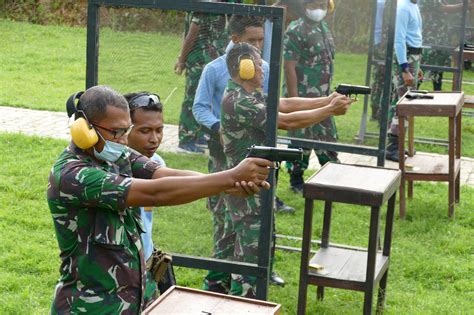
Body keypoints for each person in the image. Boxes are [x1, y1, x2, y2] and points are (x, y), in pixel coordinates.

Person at [47, 85, 272, 314]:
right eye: (116, 132)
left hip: (135, 302)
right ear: (84, 129)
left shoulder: (114, 153)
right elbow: (156, 192)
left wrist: (228, 183)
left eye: (127, 130)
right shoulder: (72, 175)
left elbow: (164, 174)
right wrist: (230, 177)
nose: (124, 140)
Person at [221, 43, 353, 298]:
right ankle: (244, 301)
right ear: (244, 68)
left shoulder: (248, 94)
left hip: (257, 184)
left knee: (262, 243)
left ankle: (249, 297)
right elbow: (286, 121)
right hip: (246, 189)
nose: (262, 69)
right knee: (250, 253)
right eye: (258, 65)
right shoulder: (238, 101)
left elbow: (285, 103)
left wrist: (327, 99)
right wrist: (330, 110)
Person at [192, 14, 289, 292]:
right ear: (235, 39)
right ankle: (218, 278)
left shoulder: (265, 68)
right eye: (251, 40)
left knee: (258, 213)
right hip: (224, 155)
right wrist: (220, 127)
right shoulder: (214, 69)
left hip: (256, 153)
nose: (257, 46)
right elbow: (199, 107)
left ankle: (260, 269)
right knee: (224, 218)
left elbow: (272, 107)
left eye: (261, 39)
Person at [283, 0, 338, 194]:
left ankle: (332, 176)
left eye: (323, 4)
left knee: (328, 138)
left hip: (323, 97)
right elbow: (289, 67)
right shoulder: (296, 29)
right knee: (301, 139)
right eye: (315, 3)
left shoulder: (322, 26)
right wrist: (295, 101)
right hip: (303, 98)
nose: (319, 8)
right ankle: (296, 179)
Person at [124, 92, 175, 297]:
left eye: (159, 130)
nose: (154, 139)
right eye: (144, 131)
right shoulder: (109, 168)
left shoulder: (157, 163)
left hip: (146, 270)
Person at [175, 6, 228, 154]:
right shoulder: (204, 4)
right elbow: (191, 33)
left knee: (207, 100)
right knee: (193, 99)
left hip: (211, 60)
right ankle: (186, 139)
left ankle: (198, 135)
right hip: (199, 61)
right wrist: (182, 59)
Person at [386, 0, 423, 162]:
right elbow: (399, 40)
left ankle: (397, 145)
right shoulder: (402, 8)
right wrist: (405, 69)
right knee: (405, 104)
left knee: (400, 102)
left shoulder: (413, 5)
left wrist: (416, 66)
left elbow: (415, 35)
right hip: (405, 58)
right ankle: (392, 147)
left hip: (412, 57)